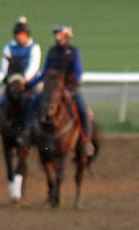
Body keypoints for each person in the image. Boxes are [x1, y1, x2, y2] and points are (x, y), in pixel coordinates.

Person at [20, 24, 94, 156]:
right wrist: (28, 84)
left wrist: (70, 90)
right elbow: (44, 73)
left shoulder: (73, 52)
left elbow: (78, 74)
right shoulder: (52, 51)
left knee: (83, 112)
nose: (57, 37)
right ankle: (26, 133)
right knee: (33, 103)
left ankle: (86, 141)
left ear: (66, 36)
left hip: (68, 89)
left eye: (60, 34)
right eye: (56, 34)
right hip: (52, 89)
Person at [0, 17, 41, 130]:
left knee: (40, 99)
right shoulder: (9, 47)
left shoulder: (34, 47)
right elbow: (5, 66)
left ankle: (39, 126)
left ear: (27, 34)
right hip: (13, 82)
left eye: (23, 34)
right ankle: (2, 124)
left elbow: (33, 67)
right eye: (18, 34)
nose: (20, 37)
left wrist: (24, 79)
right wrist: (12, 79)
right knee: (1, 100)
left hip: (31, 82)